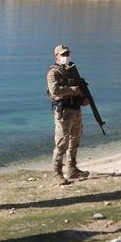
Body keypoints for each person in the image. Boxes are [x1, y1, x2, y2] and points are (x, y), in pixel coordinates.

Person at [47, 44, 91, 184]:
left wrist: (83, 98)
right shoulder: (53, 73)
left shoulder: (72, 70)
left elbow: (79, 88)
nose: (66, 57)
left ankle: (72, 169)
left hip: (76, 109)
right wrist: (73, 90)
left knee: (75, 140)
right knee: (62, 142)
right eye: (63, 54)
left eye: (67, 54)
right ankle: (57, 173)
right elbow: (55, 91)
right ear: (56, 56)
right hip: (63, 111)